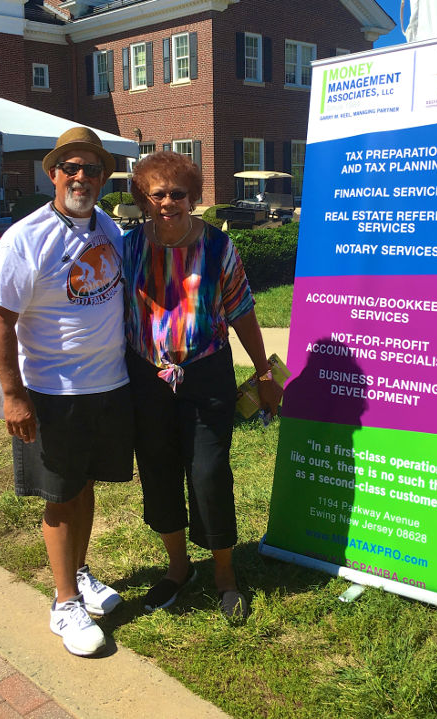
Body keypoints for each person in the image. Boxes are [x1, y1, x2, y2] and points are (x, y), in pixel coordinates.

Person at [0, 127, 135, 657]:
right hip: (52, 391)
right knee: (59, 495)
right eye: (70, 167)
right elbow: (0, 318)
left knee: (85, 484)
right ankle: (64, 601)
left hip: (107, 385)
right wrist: (14, 394)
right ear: (53, 174)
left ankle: (81, 572)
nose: (80, 177)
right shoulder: (26, 236)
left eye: (91, 169)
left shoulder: (110, 231)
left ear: (103, 178)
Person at [123, 151, 283, 620]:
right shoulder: (129, 247)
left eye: (178, 193)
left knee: (209, 472)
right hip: (145, 377)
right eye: (158, 194)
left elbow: (241, 311)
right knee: (157, 470)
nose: (169, 201)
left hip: (207, 374)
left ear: (193, 198)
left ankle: (224, 574)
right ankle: (178, 569)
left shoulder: (217, 247)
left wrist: (265, 371)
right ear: (143, 199)